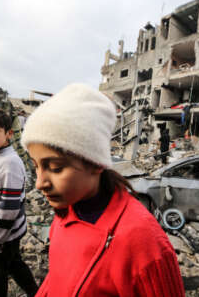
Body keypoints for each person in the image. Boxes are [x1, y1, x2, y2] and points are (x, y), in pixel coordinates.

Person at [21, 83, 185, 296]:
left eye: (55, 168)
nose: (40, 183)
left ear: (96, 164)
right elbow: (56, 280)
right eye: (36, 166)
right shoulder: (66, 213)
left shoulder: (143, 243)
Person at [0, 109, 38, 297]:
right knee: (14, 265)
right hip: (7, 232)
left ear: (9, 134)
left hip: (6, 234)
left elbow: (9, 210)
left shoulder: (8, 163)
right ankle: (37, 293)